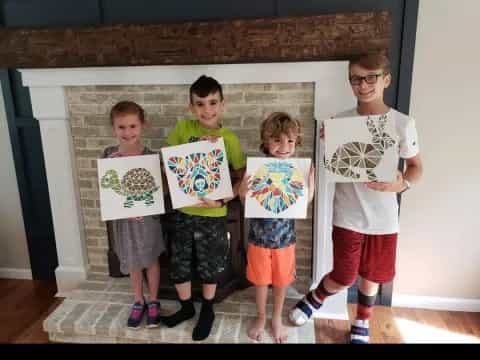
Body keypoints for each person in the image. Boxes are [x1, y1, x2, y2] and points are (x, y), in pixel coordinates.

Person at [288, 53, 423, 344]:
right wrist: (329, 144)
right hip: (347, 213)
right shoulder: (340, 122)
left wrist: (402, 186)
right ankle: (316, 297)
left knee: (373, 273)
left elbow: (416, 168)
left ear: (386, 79)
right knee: (345, 275)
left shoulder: (402, 123)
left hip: (384, 218)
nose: (363, 85)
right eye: (356, 79)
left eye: (370, 77)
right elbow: (333, 164)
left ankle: (362, 319)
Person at [160, 75, 246, 341]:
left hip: (214, 214)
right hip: (185, 212)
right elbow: (168, 160)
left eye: (212, 103)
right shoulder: (183, 129)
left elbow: (243, 175)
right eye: (199, 104)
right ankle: (186, 308)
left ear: (222, 104)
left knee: (211, 265)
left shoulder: (228, 138)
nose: (206, 110)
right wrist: (191, 151)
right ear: (191, 107)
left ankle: (207, 309)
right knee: (180, 263)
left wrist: (222, 200)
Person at [238, 112, 315, 343]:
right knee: (260, 281)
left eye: (290, 141)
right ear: (265, 141)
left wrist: (310, 189)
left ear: (296, 142)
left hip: (285, 240)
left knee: (281, 281)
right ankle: (261, 316)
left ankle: (276, 318)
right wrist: (243, 191)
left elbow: (303, 202)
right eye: (277, 140)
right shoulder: (256, 168)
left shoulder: (297, 169)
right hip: (258, 239)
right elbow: (247, 201)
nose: (284, 147)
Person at [101, 101, 166, 329]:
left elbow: (160, 190)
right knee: (132, 261)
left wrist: (161, 174)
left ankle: (154, 300)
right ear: (113, 128)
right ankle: (138, 300)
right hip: (124, 222)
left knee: (151, 259)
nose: (127, 132)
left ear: (142, 126)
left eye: (132, 126)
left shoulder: (151, 156)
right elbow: (107, 187)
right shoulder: (109, 155)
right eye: (121, 127)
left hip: (147, 220)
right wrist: (110, 166)